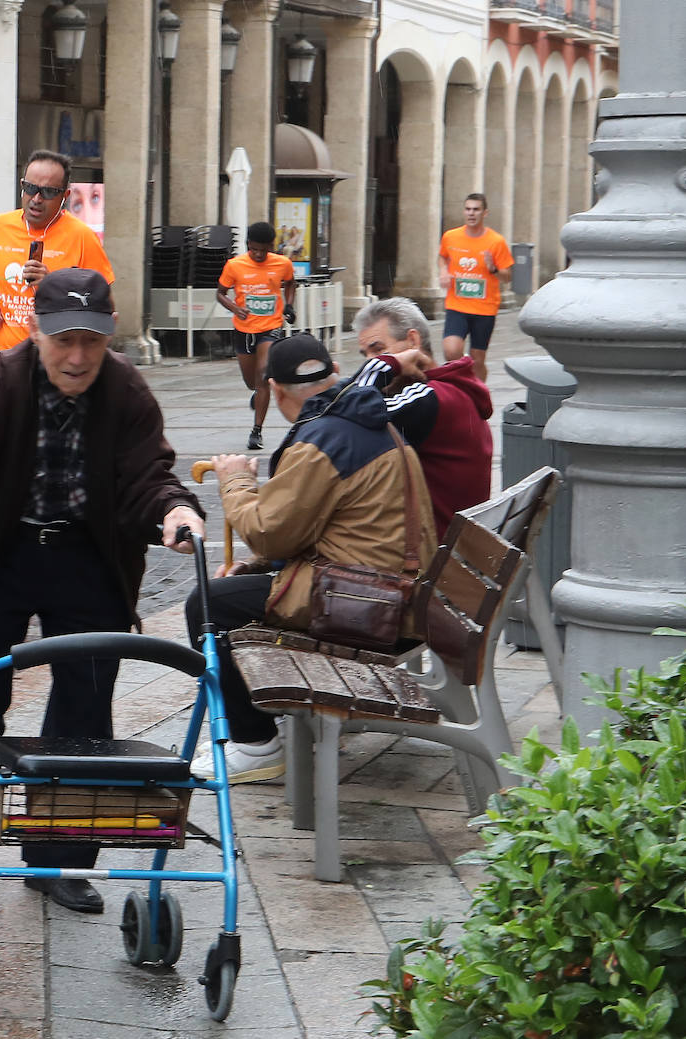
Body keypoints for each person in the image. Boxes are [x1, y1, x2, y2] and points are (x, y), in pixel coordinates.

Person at [0, 268, 205, 914]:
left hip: (86, 553)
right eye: (64, 339)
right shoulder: (2, 380)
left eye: (92, 342)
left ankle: (57, 854)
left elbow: (148, 474)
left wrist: (174, 510)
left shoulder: (126, 389)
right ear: (38, 331)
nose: (77, 357)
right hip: (6, 550)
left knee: (86, 702)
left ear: (110, 336)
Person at [184, 333, 434, 783]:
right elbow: (305, 531)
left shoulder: (324, 438)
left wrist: (235, 480)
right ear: (334, 373)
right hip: (398, 594)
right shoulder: (367, 419)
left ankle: (254, 743)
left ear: (275, 391)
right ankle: (270, 726)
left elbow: (268, 533)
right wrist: (258, 567)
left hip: (370, 606)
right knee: (236, 591)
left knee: (207, 604)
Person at [351, 297, 494, 536]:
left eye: (378, 350)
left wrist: (384, 367)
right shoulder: (452, 388)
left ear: (413, 341)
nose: (372, 362)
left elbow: (350, 414)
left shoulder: (429, 399)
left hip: (431, 557)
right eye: (365, 355)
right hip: (456, 549)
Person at [0, 149, 114, 352]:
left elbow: (103, 302)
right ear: (22, 186)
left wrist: (54, 285)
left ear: (65, 195)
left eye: (48, 192)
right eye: (30, 188)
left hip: (58, 359)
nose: (36, 198)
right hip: (7, 356)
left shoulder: (82, 236)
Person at [215, 221, 297, 452]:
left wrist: (289, 306)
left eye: (264, 249)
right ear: (248, 244)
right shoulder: (234, 265)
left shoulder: (282, 263)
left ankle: (256, 431)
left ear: (271, 246)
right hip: (243, 328)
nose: (259, 254)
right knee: (251, 381)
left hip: (270, 326)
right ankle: (257, 393)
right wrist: (234, 308)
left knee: (263, 376)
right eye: (254, 249)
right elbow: (220, 293)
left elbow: (291, 283)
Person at [437, 193, 513, 382]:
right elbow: (442, 256)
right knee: (451, 350)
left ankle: (479, 394)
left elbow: (507, 277)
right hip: (457, 305)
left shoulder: (496, 242)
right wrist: (443, 271)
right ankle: (463, 383)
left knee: (478, 359)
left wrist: (493, 269)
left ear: (485, 213)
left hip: (485, 308)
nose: (471, 213)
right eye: (468, 209)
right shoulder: (451, 236)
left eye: (476, 209)